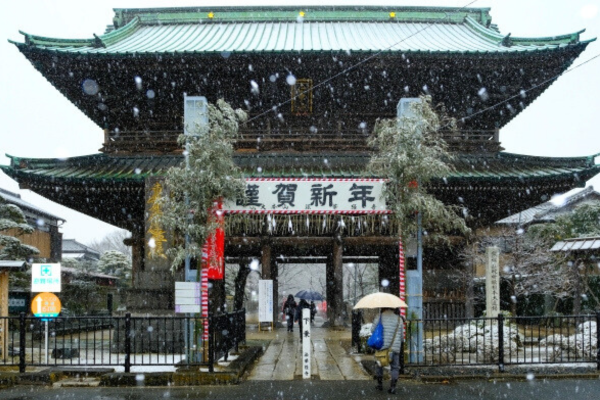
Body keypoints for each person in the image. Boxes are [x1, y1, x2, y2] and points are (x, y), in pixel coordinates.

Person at [371, 308, 405, 394]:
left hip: (382, 346)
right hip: (395, 347)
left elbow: (372, 330)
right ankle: (392, 387)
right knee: (395, 367)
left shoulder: (380, 316)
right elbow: (401, 336)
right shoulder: (399, 319)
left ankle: (380, 384)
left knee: (379, 365)